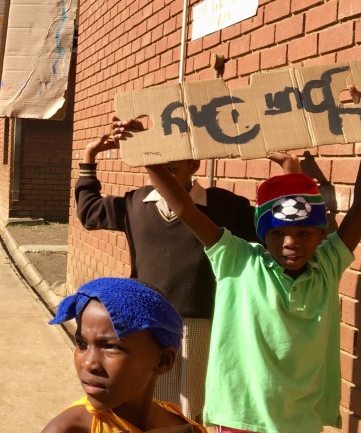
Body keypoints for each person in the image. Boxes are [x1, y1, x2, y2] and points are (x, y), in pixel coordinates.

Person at [142, 77, 361, 433]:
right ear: (262, 234)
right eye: (278, 234)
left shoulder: (327, 266)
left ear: (322, 234)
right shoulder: (239, 261)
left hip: (299, 423)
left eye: (304, 233)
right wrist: (147, 156)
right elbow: (184, 208)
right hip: (240, 419)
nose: (291, 242)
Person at [75, 119, 258, 419]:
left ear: (194, 165)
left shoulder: (224, 206)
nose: (164, 178)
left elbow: (270, 230)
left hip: (201, 324)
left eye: (171, 169)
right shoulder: (135, 204)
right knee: (149, 401)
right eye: (158, 168)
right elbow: (89, 212)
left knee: (194, 407)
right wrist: (89, 157)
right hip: (149, 323)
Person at [42, 278, 206, 433]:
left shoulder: (181, 427)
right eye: (82, 344)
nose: (89, 363)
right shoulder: (66, 430)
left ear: (163, 361)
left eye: (110, 346)